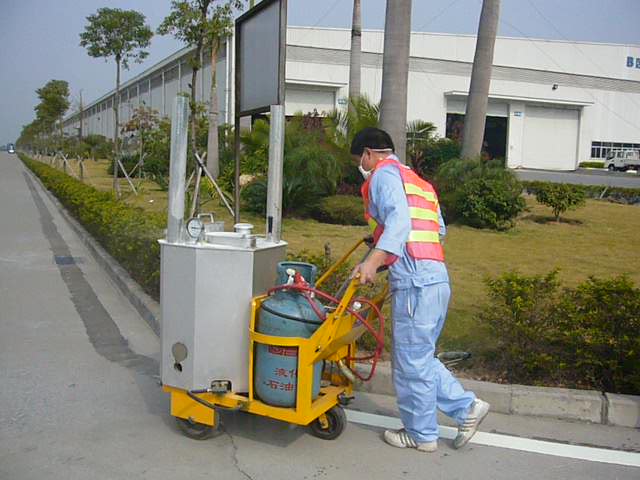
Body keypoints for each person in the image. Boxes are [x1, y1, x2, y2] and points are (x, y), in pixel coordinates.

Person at [350, 127, 489, 453]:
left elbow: (399, 222)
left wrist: (373, 262)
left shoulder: (383, 176)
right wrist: (386, 250)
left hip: (415, 284)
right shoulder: (418, 181)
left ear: (369, 154)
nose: (362, 166)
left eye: (360, 160)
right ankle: (465, 407)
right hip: (435, 277)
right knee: (418, 358)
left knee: (410, 363)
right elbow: (437, 230)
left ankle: (421, 434)